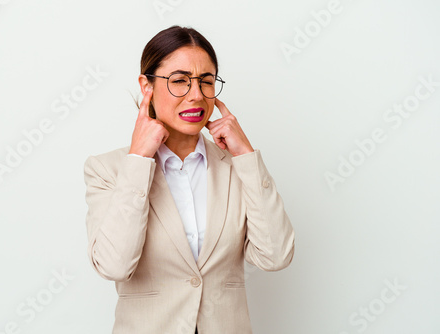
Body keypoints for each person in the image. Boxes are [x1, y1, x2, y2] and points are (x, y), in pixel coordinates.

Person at [83, 25, 295, 334]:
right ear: (147, 86)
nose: (196, 95)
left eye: (206, 82)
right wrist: (139, 160)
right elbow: (114, 265)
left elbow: (275, 256)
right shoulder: (108, 169)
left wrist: (246, 155)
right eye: (180, 81)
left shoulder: (238, 167)